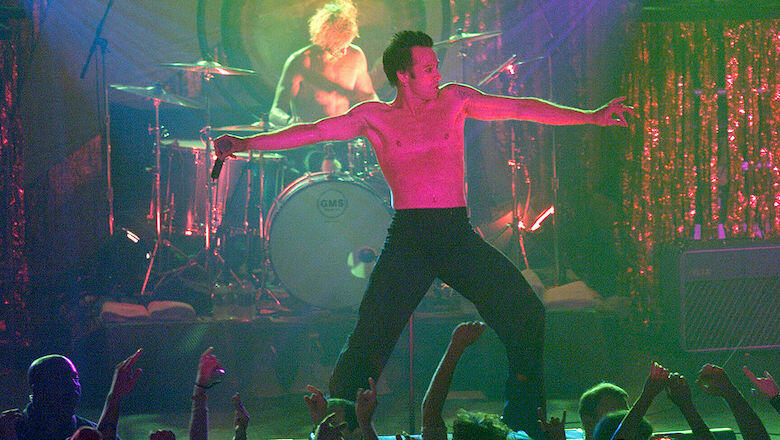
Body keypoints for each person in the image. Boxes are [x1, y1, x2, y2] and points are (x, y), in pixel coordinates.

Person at [215, 30, 633, 438]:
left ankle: (524, 420)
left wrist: (590, 116)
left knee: (526, 312)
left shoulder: (454, 100)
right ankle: (339, 427)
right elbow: (313, 131)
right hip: (410, 237)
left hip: (455, 234)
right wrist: (246, 144)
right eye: (428, 68)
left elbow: (519, 108)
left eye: (436, 66)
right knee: (368, 340)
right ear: (404, 75)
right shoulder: (374, 117)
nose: (437, 74)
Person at [268, 0, 377, 173]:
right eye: (340, 45)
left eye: (348, 43)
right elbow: (275, 112)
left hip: (345, 143)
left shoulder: (356, 55)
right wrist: (289, 122)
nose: (345, 50)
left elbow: (368, 97)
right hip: (311, 144)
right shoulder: (301, 61)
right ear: (326, 38)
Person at [0, 355, 95, 440]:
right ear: (38, 389)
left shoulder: (92, 432)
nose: (73, 384)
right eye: (61, 379)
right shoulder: (10, 428)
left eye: (75, 378)